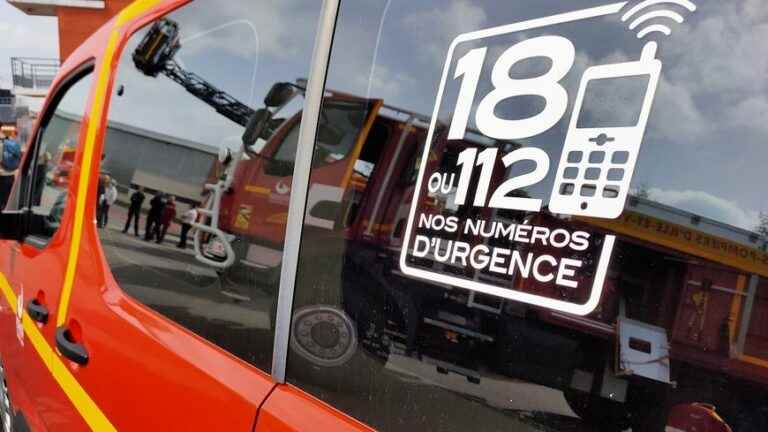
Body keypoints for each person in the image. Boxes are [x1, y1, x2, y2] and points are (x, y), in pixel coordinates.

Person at [0, 131, 21, 210]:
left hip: (2, 177)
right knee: (6, 201)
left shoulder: (1, 144)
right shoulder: (13, 143)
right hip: (11, 176)